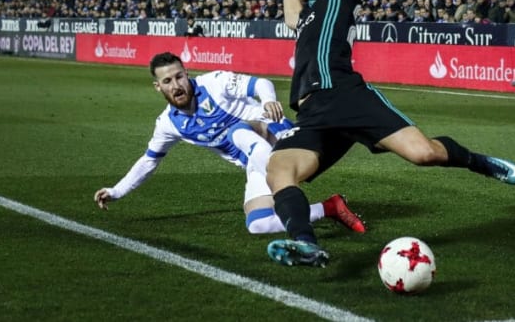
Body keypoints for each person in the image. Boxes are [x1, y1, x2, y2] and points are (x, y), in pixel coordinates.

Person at [265, 0, 515, 268]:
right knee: (279, 171)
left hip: (345, 95)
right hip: (313, 113)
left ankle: (480, 162)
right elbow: (292, 18)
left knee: (424, 154)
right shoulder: (310, 12)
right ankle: (305, 245)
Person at [93, 52, 365, 235]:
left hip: (278, 138)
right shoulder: (168, 123)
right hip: (257, 161)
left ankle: (293, 178)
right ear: (158, 87)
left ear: (186, 74)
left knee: (235, 131)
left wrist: (269, 100)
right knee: (258, 224)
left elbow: (260, 84)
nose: (176, 85)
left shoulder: (214, 83)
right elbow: (149, 160)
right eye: (167, 81)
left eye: (179, 76)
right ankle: (330, 207)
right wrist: (116, 191)